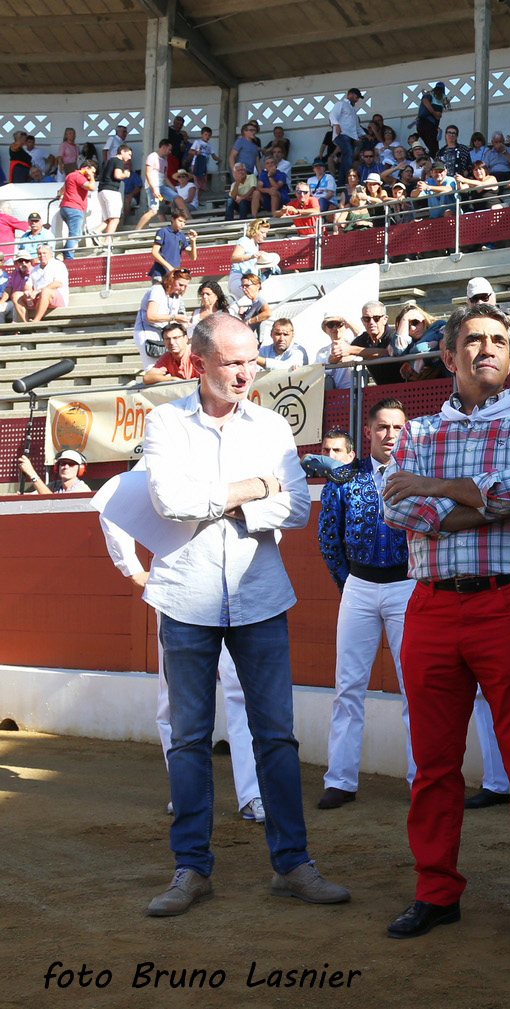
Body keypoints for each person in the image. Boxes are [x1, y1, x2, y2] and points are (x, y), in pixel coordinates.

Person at [140, 313, 348, 916]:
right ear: (196, 364)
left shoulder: (272, 425)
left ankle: (292, 864)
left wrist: (235, 506)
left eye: (251, 359)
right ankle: (191, 868)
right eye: (232, 361)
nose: (245, 371)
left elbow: (300, 508)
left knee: (276, 737)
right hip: (185, 596)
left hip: (258, 595)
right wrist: (252, 488)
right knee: (188, 741)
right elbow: (169, 501)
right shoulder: (165, 421)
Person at [380, 302, 510, 950]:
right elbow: (397, 508)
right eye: (473, 339)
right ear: (450, 354)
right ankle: (435, 889)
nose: (486, 348)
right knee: (432, 763)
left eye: (497, 340)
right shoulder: (420, 429)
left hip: (505, 603)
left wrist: (436, 489)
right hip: (430, 604)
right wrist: (479, 502)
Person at [99, 511, 263, 823]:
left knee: (240, 689)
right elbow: (114, 506)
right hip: (179, 587)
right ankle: (186, 789)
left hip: (237, 581)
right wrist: (131, 568)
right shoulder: (166, 460)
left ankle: (253, 793)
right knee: (175, 695)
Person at [316, 399, 417, 811]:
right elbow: (328, 537)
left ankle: (421, 778)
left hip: (406, 587)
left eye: (397, 427)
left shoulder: (419, 474)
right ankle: (340, 779)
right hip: (358, 584)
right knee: (348, 686)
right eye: (382, 428)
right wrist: (349, 584)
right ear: (369, 432)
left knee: (416, 687)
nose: (390, 435)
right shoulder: (343, 479)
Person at [133, 268, 192, 369]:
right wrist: (174, 317)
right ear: (171, 280)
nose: (182, 288)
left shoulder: (176, 296)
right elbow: (150, 316)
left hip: (164, 332)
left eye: (185, 286)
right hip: (148, 330)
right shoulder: (157, 290)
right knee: (153, 367)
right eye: (180, 285)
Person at [14, 243, 68, 323]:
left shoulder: (58, 265)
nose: (41, 255)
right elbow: (28, 284)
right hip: (37, 297)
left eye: (44, 253)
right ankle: (25, 323)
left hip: (55, 297)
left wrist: (38, 291)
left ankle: (36, 321)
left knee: (45, 291)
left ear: (50, 254)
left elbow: (58, 283)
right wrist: (28, 291)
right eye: (39, 253)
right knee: (16, 295)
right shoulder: (35, 269)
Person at [228, 219, 278, 300]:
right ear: (254, 231)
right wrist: (251, 256)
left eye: (266, 233)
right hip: (240, 279)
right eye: (262, 232)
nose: (265, 236)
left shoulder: (255, 245)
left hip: (244, 281)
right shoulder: (245, 240)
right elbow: (234, 258)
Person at [56, 160, 96, 260]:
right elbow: (91, 187)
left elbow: (62, 189)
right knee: (75, 236)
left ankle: (62, 254)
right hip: (75, 208)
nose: (93, 174)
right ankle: (68, 258)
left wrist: (59, 195)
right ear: (87, 168)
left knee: (74, 234)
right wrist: (91, 176)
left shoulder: (70, 175)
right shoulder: (79, 176)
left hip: (65, 208)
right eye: (93, 171)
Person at [148, 210, 197, 283]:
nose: (182, 224)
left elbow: (193, 257)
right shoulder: (163, 232)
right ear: (172, 219)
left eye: (184, 222)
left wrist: (193, 242)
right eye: (180, 221)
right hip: (160, 274)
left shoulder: (181, 236)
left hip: (174, 275)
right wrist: (169, 267)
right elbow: (154, 252)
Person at [17, 448, 89, 494]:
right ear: (57, 466)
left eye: (71, 464)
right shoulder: (55, 485)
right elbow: (34, 495)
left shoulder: (82, 490)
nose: (66, 467)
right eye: (63, 463)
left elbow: (52, 502)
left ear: (80, 469)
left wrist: (31, 473)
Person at [329, 88, 363, 179]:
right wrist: (336, 125)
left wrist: (364, 134)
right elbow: (332, 115)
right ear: (350, 95)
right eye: (356, 97)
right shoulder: (341, 104)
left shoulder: (352, 110)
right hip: (342, 134)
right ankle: (349, 177)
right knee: (348, 154)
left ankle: (342, 179)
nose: (357, 100)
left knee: (346, 157)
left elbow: (357, 126)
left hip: (350, 136)